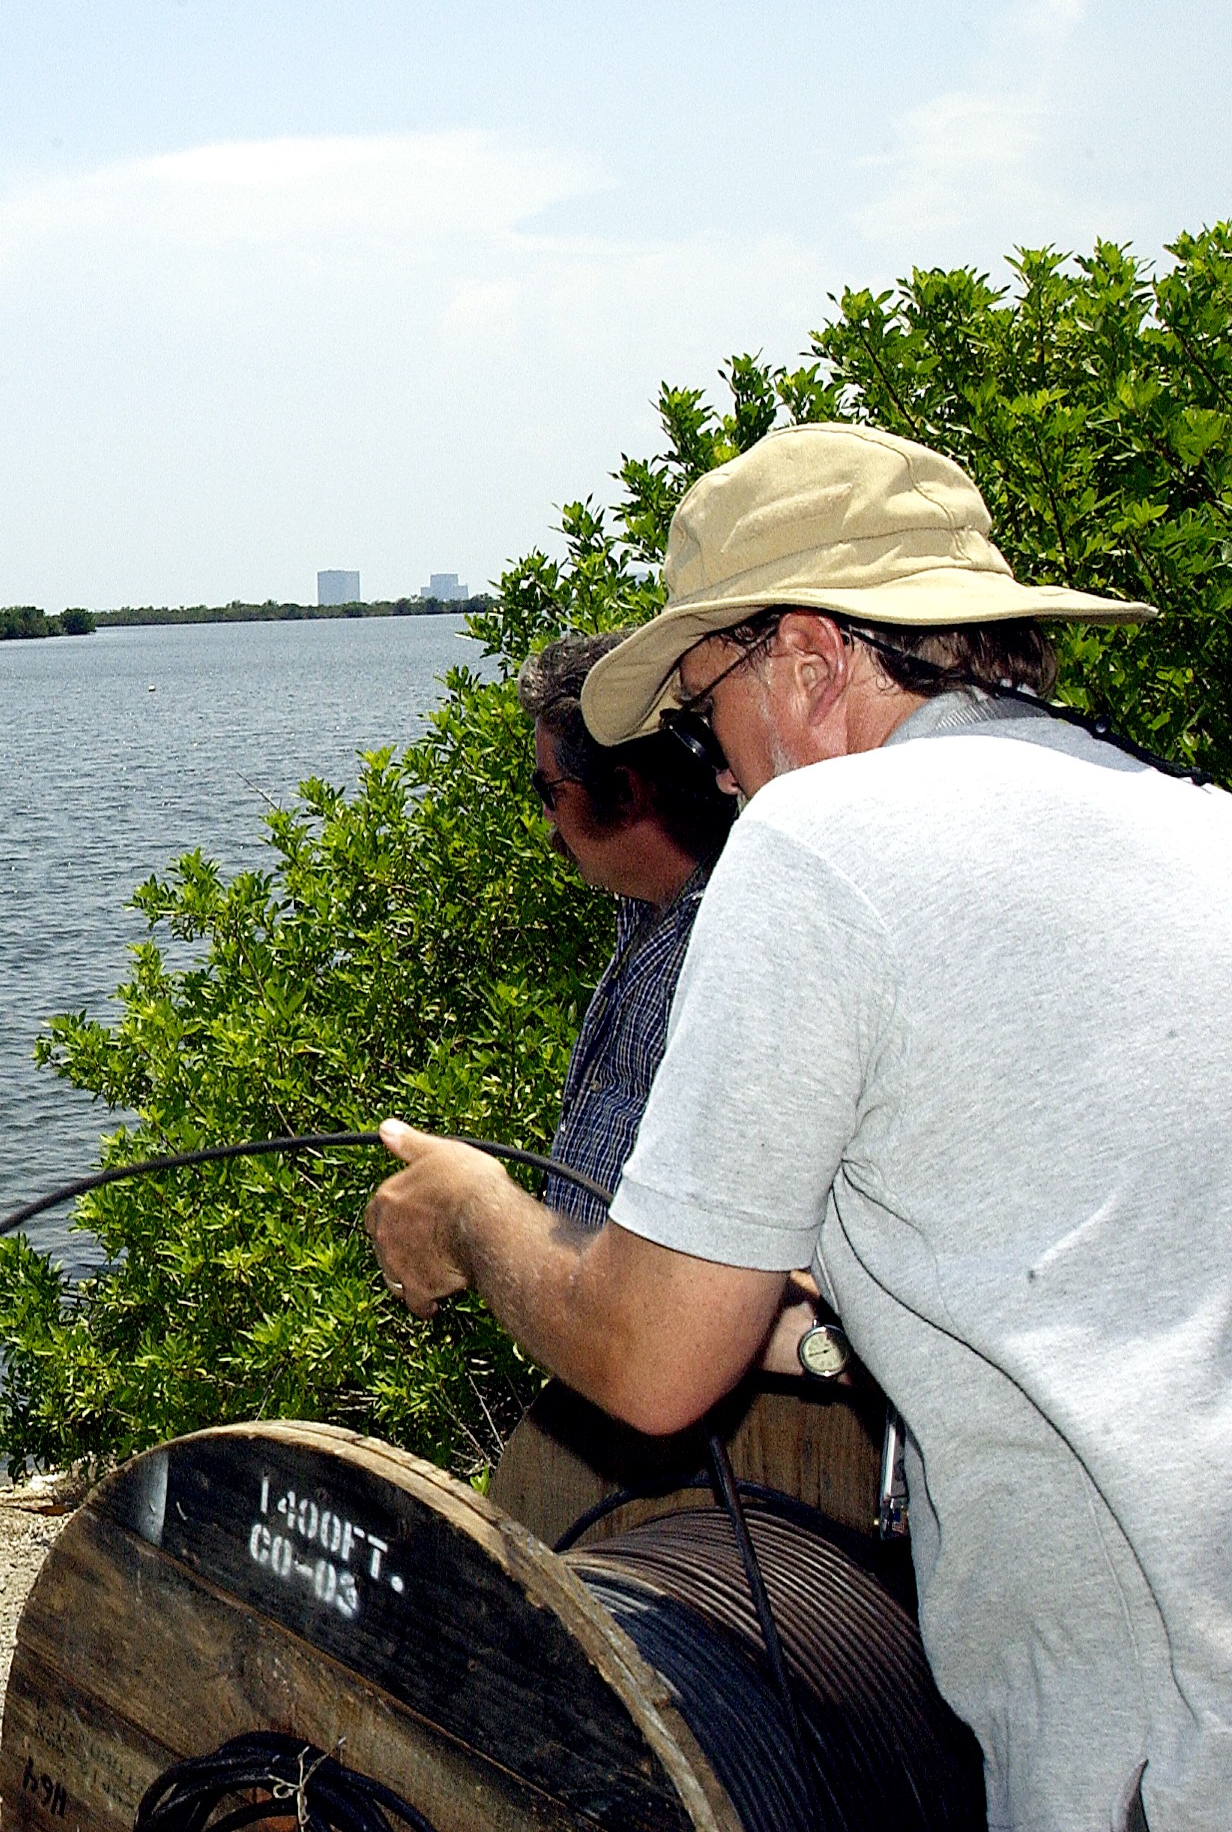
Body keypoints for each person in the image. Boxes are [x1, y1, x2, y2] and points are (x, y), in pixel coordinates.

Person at [364, 422, 1229, 1830]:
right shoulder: (1200, 824)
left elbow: (648, 1364)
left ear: (812, 656)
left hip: (1154, 1752)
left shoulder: (823, 837)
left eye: (705, 714)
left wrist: (472, 1205)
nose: (715, 772)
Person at [513, 631, 736, 1220]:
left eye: (549, 789)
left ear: (623, 791)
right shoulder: (641, 909)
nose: (544, 814)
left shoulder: (723, 945)